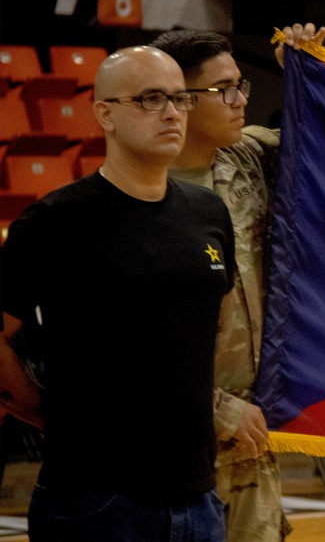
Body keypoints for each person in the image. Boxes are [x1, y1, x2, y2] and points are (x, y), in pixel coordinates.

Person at [0, 46, 234, 541]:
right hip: (96, 502)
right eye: (151, 99)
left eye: (179, 99)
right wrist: (44, 411)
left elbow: (207, 330)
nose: (172, 112)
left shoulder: (208, 213)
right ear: (104, 113)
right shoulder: (55, 222)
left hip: (200, 499)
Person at [149, 23, 325, 542]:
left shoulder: (247, 157)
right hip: (173, 437)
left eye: (241, 85)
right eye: (223, 89)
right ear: (177, 100)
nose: (239, 100)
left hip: (250, 431)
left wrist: (301, 67)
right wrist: (215, 408)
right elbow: (120, 345)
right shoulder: (140, 190)